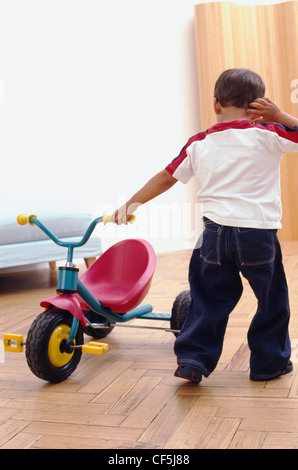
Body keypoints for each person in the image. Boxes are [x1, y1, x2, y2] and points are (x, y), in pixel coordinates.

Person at [112, 68, 298, 383]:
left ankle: (193, 361)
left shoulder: (199, 142)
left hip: (213, 235)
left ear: (215, 105)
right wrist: (282, 115)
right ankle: (269, 363)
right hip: (258, 237)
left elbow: (166, 177)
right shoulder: (270, 132)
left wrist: (131, 204)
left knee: (207, 299)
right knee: (272, 299)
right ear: (257, 105)